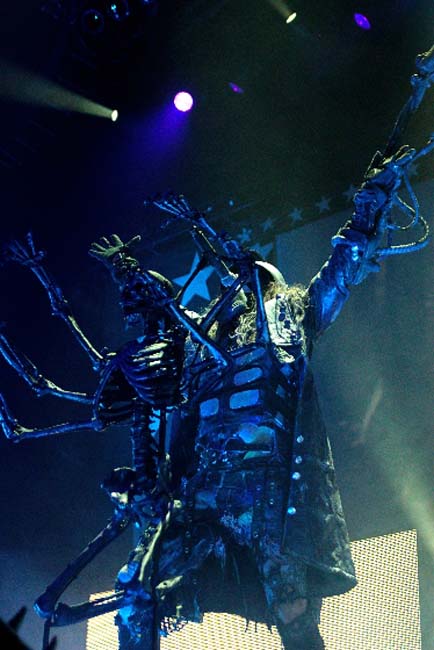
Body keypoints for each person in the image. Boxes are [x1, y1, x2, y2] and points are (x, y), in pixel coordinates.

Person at [86, 144, 427, 650]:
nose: (241, 292)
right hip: (205, 496)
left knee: (291, 609)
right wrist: (129, 273)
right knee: (141, 591)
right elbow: (156, 324)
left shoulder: (293, 318)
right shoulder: (203, 346)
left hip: (270, 496)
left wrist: (371, 200)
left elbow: (343, 266)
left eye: (252, 284)